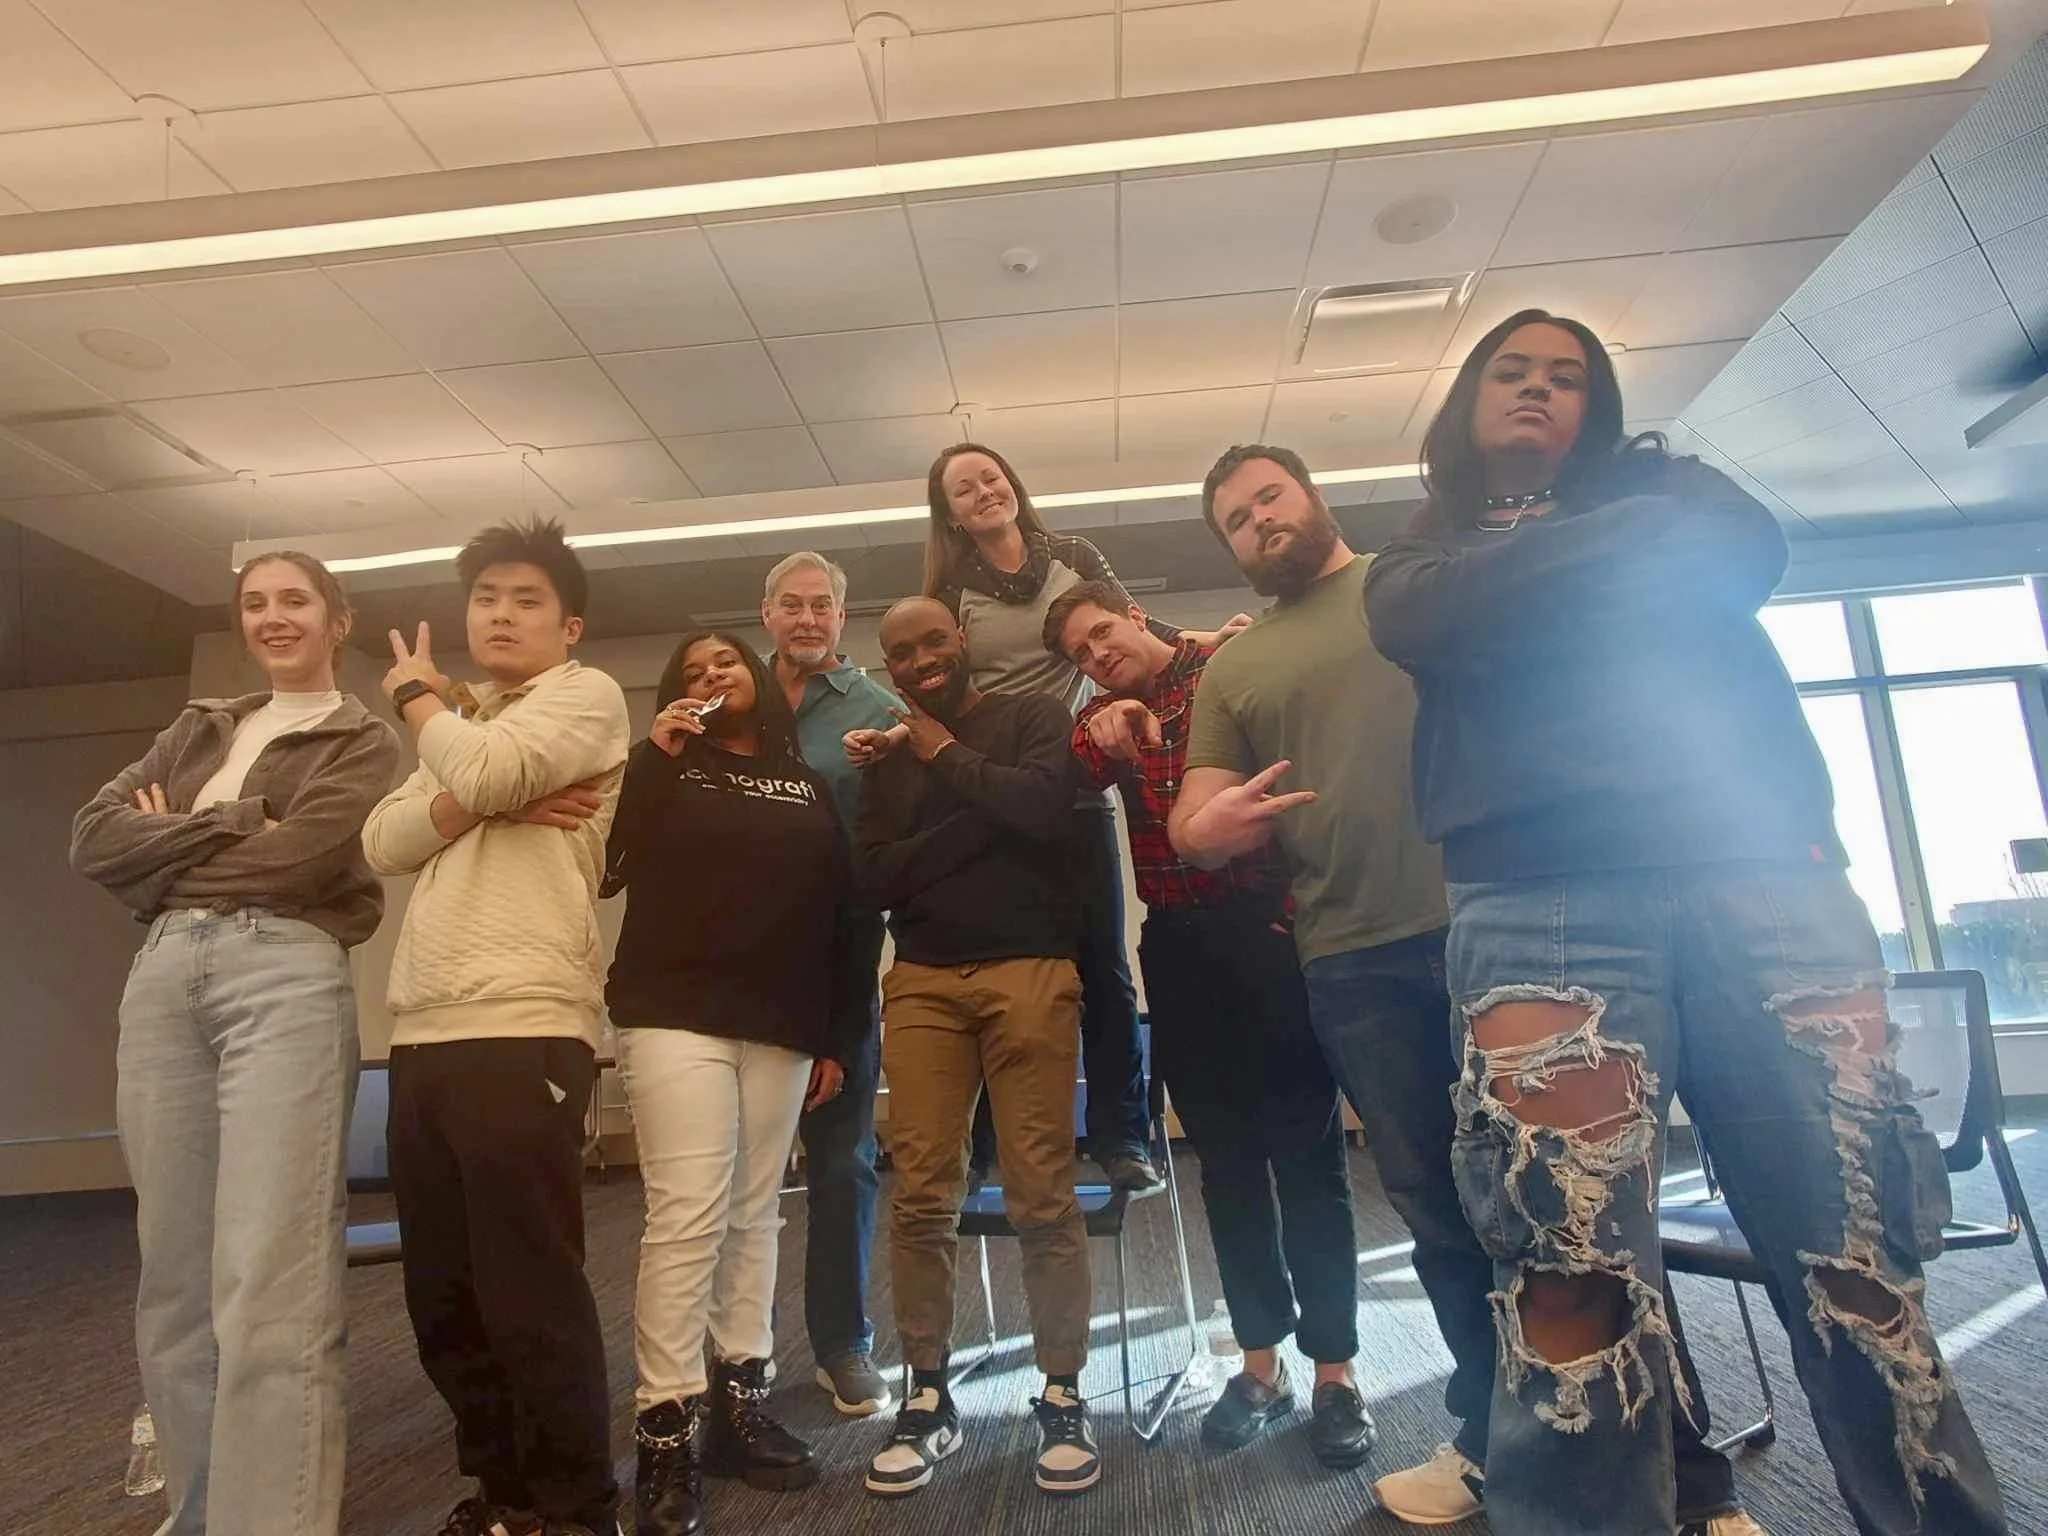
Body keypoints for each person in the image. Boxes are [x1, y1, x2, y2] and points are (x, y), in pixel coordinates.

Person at [1362, 309, 2008, 1536]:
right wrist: (1620, 559)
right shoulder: (1413, 558)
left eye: (1566, 377)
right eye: (1512, 372)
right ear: (1464, 404)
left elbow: (1735, 552)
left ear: (1595, 410)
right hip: (1538, 901)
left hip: (1763, 878)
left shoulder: (1682, 490)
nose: (1539, 390)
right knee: (1565, 1277)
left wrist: (1526, 582)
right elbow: (1419, 619)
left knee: (1855, 1255)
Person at [1170, 443, 1761, 1535]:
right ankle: (1495, 1439)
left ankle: (1684, 1477)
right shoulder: (1233, 669)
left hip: (1509, 923)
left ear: (1311, 495)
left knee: (1579, 1204)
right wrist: (1207, 826)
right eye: (1234, 521)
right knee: (1440, 1215)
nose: (1257, 523)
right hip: (1350, 960)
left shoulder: (1411, 587)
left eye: (1268, 497)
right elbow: (1188, 821)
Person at [70, 552, 398, 1536]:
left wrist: (175, 839)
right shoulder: (201, 723)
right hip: (164, 979)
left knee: (271, 1280)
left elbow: (302, 859)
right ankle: (199, 1513)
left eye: (293, 600)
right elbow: (92, 841)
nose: (271, 617)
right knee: (174, 1279)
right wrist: (237, 823)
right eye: (255, 603)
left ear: (337, 619)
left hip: (282, 977)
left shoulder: (361, 737)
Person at [1045, 580, 1371, 1468]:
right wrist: (1096, 721)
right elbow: (1067, 763)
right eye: (1079, 651)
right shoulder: (1112, 714)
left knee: (1309, 1159)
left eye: (1102, 633)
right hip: (1180, 952)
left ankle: (1337, 1374)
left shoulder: (1229, 666)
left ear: (1139, 618)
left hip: (1268, 936)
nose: (1097, 653)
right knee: (1223, 1164)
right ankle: (1260, 1369)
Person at [872, 441, 1242, 1191]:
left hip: (1073, 775)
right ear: (949, 513)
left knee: (1104, 964)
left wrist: (1203, 642)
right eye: (963, 489)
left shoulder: (1073, 553)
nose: (983, 492)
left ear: (1011, 482)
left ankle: (1121, 1137)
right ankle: (982, 1148)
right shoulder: (948, 592)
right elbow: (932, 676)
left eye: (990, 477)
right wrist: (889, 737)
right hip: (989, 787)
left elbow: (1126, 623)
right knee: (1001, 964)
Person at [361, 517, 632, 1536]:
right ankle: (504, 1491)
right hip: (422, 1031)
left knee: (529, 1284)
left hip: (524, 1024)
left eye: (525, 601)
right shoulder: (472, 721)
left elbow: (472, 776)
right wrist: (486, 788)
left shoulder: (583, 696)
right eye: (486, 600)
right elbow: (384, 837)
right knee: (444, 1295)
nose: (501, 615)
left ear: (568, 627)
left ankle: (574, 1506)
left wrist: (417, 701)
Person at [603, 629, 867, 1536]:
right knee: (687, 1214)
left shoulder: (809, 783)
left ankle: (740, 1404)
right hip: (674, 1011)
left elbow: (843, 914)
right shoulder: (666, 766)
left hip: (786, 1022)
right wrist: (654, 755)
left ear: (756, 677)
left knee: (757, 1212)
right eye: (692, 670)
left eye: (726, 663)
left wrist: (838, 1032)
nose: (713, 676)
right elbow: (609, 866)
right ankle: (666, 1430)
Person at [854, 596, 1101, 1500]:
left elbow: (1045, 810)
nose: (921, 659)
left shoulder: (1032, 715)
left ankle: (1064, 1391)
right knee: (921, 1191)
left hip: (1030, 969)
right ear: (888, 665)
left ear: (959, 641)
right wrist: (976, 813)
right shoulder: (885, 753)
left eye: (932, 641)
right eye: (901, 651)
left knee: (1042, 1187)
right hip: (921, 980)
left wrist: (947, 759)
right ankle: (926, 1395)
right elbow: (876, 876)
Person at [760, 551, 902, 1418]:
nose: (807, 619)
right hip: (736, 963)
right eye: (792, 605)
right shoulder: (729, 700)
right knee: (731, 1172)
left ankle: (842, 1346)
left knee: (841, 1160)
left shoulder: (878, 712)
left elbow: (880, 860)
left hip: (841, 955)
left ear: (840, 619)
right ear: (766, 612)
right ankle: (729, 1355)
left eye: (823, 606)